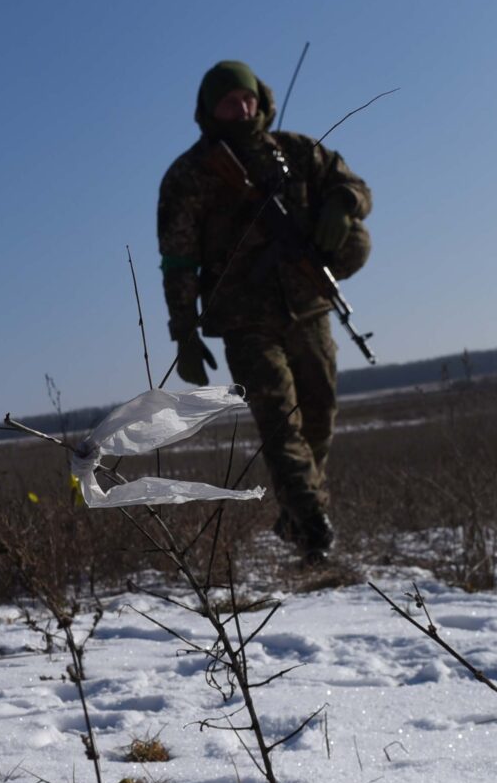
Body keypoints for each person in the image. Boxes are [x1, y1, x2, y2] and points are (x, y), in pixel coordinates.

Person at [155, 60, 373, 560]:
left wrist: (342, 204)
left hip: (308, 311)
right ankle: (314, 527)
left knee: (319, 417)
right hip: (244, 320)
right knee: (280, 421)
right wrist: (184, 332)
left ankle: (296, 517)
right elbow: (178, 260)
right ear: (211, 109)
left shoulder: (295, 150)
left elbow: (355, 185)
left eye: (247, 98)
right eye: (230, 101)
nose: (242, 107)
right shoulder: (189, 175)